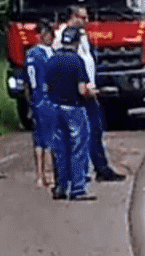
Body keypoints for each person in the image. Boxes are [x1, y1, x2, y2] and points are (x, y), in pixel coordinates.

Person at [54, 6, 125, 182]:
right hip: (76, 93)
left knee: (95, 130)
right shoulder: (63, 37)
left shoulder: (83, 36)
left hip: (89, 90)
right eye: (83, 18)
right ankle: (79, 173)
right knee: (78, 134)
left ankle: (100, 167)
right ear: (72, 17)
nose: (87, 22)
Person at [45, 27, 96, 201]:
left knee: (59, 149)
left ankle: (60, 187)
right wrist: (93, 93)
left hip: (54, 107)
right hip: (74, 108)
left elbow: (46, 87)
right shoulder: (77, 61)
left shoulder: (51, 60)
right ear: (77, 42)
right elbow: (82, 90)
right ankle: (78, 188)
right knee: (78, 148)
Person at [25, 21, 56, 188]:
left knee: (40, 138)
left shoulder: (31, 53)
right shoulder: (43, 54)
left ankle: (41, 175)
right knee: (48, 138)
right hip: (46, 97)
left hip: (38, 98)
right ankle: (46, 175)